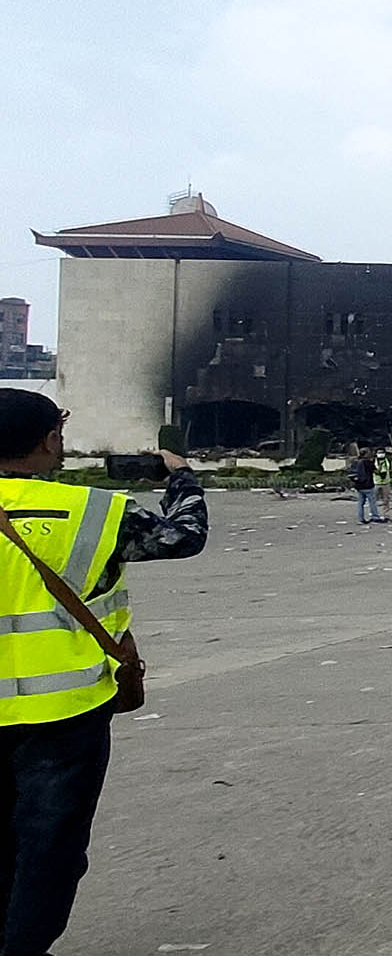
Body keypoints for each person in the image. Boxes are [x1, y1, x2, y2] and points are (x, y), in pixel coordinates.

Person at [0, 388, 208, 953]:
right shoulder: (93, 511)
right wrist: (182, 478)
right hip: (61, 715)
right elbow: (182, 537)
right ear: (49, 441)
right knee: (48, 847)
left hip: (54, 717)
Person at [347, 449, 387, 524]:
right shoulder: (368, 462)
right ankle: (375, 517)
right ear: (366, 454)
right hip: (368, 485)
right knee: (372, 502)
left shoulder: (356, 462)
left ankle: (360, 518)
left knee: (360, 503)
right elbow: (376, 471)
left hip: (358, 485)